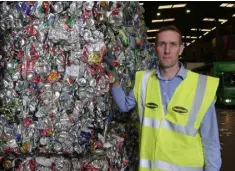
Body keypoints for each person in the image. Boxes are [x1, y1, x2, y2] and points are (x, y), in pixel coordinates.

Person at [108, 25, 222, 171]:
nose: (167, 51)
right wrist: (114, 79)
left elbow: (210, 141)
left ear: (181, 49)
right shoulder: (144, 80)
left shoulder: (201, 86)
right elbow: (124, 106)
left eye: (173, 45)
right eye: (162, 44)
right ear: (156, 48)